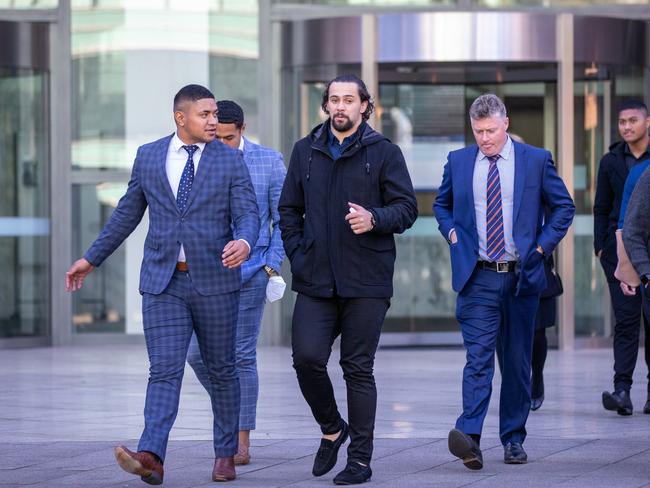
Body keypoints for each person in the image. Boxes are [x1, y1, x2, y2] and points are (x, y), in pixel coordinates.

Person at [65, 84, 259, 484]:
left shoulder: (228, 160)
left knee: (223, 370)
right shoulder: (150, 156)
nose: (213, 121)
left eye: (214, 115)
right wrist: (90, 258)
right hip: (163, 282)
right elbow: (126, 214)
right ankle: (151, 455)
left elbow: (248, 214)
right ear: (180, 117)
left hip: (216, 283)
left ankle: (225, 453)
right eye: (204, 114)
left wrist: (243, 241)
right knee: (164, 370)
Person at [279, 74, 418, 485]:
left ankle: (359, 459)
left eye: (349, 100)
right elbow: (289, 210)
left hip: (366, 281)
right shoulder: (305, 151)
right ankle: (332, 428)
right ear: (326, 106)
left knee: (357, 368)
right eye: (334, 100)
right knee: (306, 358)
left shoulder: (384, 152)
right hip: (315, 278)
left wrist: (375, 218)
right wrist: (298, 253)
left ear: (364, 106)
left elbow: (407, 209)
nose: (341, 106)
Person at [434, 94, 574, 470]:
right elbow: (441, 205)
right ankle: (471, 438)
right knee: (478, 359)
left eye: (491, 130)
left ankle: (513, 438)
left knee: (516, 362)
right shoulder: (459, 161)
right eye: (478, 131)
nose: (485, 138)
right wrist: (451, 234)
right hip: (477, 276)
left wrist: (542, 249)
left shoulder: (536, 160)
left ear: (506, 123)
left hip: (522, 277)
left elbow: (564, 207)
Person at [186, 99, 287, 465]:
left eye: (229, 138)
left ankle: (239, 441)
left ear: (242, 130)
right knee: (196, 354)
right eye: (217, 137)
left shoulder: (268, 161)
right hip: (207, 275)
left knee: (241, 357)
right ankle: (230, 410)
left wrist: (270, 266)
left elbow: (284, 219)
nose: (222, 145)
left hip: (251, 271)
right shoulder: (200, 159)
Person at [594, 99, 650, 416]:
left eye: (632, 120)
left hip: (648, 250)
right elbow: (601, 207)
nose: (626, 127)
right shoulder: (610, 161)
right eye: (621, 122)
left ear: (647, 122)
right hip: (620, 253)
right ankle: (622, 390)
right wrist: (602, 249)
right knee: (626, 322)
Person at [530, 254, 562, 411]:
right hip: (506, 272)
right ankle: (513, 386)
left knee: (537, 335)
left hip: (538, 268)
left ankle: (536, 376)